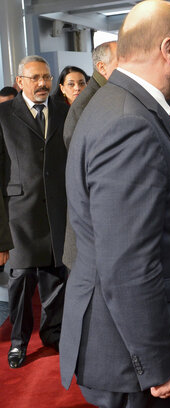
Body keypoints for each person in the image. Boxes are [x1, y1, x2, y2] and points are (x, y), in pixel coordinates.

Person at [60, 0, 170, 407]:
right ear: (168, 49)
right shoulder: (128, 121)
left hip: (130, 343)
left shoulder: (121, 104)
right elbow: (127, 263)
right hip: (133, 356)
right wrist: (161, 360)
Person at [0, 55, 69, 368]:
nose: (42, 83)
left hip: (58, 211)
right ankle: (18, 342)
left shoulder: (64, 109)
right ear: (20, 82)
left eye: (46, 77)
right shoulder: (2, 114)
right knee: (21, 281)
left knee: (56, 279)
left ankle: (53, 336)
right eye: (35, 78)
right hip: (20, 215)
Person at [61, 40, 119, 270]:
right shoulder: (88, 103)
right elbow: (82, 159)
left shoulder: (107, 93)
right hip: (92, 220)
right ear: (101, 68)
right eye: (120, 61)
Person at [63, 41, 118, 148]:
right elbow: (77, 149)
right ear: (102, 67)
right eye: (121, 61)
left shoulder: (112, 92)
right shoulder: (84, 104)